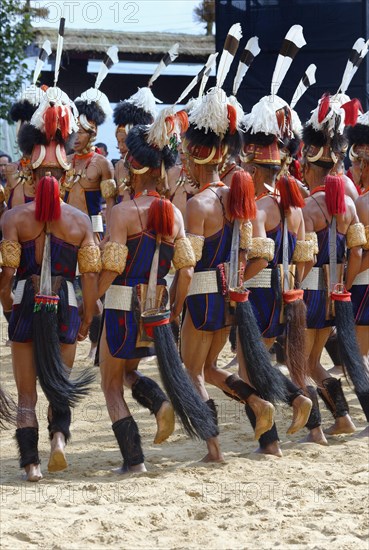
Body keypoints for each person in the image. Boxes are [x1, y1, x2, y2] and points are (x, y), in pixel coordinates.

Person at [98, 114, 217, 472]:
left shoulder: (122, 213)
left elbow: (112, 269)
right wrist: (176, 310)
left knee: (110, 385)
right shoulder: (175, 215)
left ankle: (134, 460)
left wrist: (92, 300)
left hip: (120, 306)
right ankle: (160, 404)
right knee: (130, 372)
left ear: (133, 170)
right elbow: (187, 270)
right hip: (158, 311)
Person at [0, 88, 98, 481]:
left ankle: (31, 464)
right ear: (65, 175)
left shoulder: (14, 219)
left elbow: (6, 275)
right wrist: (88, 316)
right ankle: (59, 440)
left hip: (25, 303)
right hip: (67, 304)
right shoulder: (79, 221)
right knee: (59, 386)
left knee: (26, 395)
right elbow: (89, 278)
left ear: (29, 171)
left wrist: (7, 302)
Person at [300, 93, 366, 435]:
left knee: (299, 364)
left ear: (309, 166)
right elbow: (356, 251)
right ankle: (342, 418)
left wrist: (294, 288)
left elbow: (307, 258)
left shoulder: (309, 207)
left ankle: (315, 430)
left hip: (310, 295)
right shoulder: (349, 204)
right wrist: (342, 286)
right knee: (314, 363)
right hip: (335, 293)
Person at [347, 111, 369, 436]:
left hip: (364, 286)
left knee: (358, 357)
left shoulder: (364, 204)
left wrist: (346, 281)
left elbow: (363, 256)